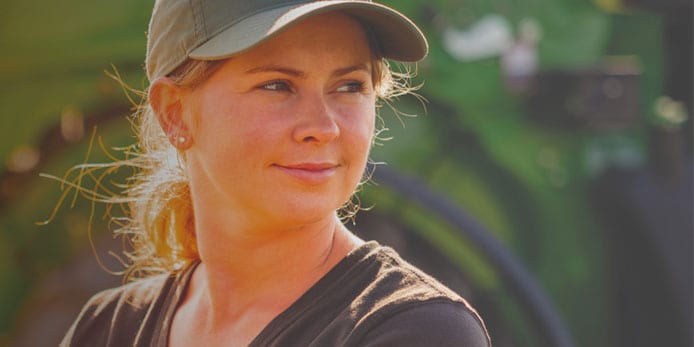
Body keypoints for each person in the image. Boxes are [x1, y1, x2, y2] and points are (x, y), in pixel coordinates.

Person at [59, 0, 492, 346]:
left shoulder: (418, 332)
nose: (323, 128)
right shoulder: (107, 328)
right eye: (277, 85)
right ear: (175, 113)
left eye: (350, 86)